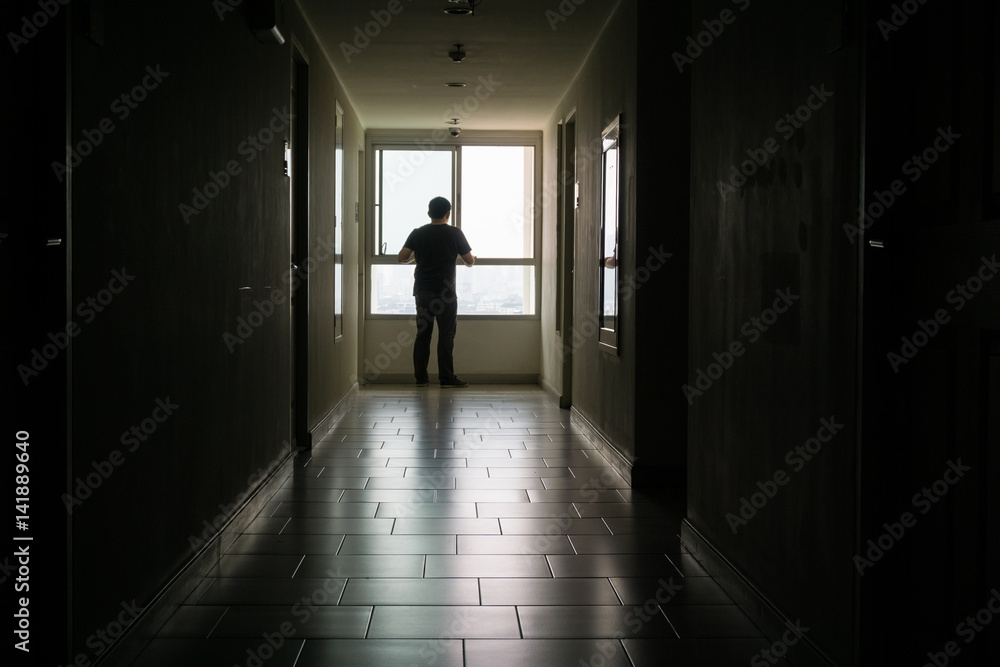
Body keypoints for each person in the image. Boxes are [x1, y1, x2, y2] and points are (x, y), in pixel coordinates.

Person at [397, 196, 476, 388]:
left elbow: (402, 258)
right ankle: (446, 378)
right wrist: (471, 257)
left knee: (423, 335)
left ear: (429, 213)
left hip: (423, 291)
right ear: (448, 214)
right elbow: (469, 261)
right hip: (445, 294)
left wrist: (415, 257)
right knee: (446, 335)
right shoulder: (455, 233)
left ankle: (421, 379)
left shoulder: (418, 233)